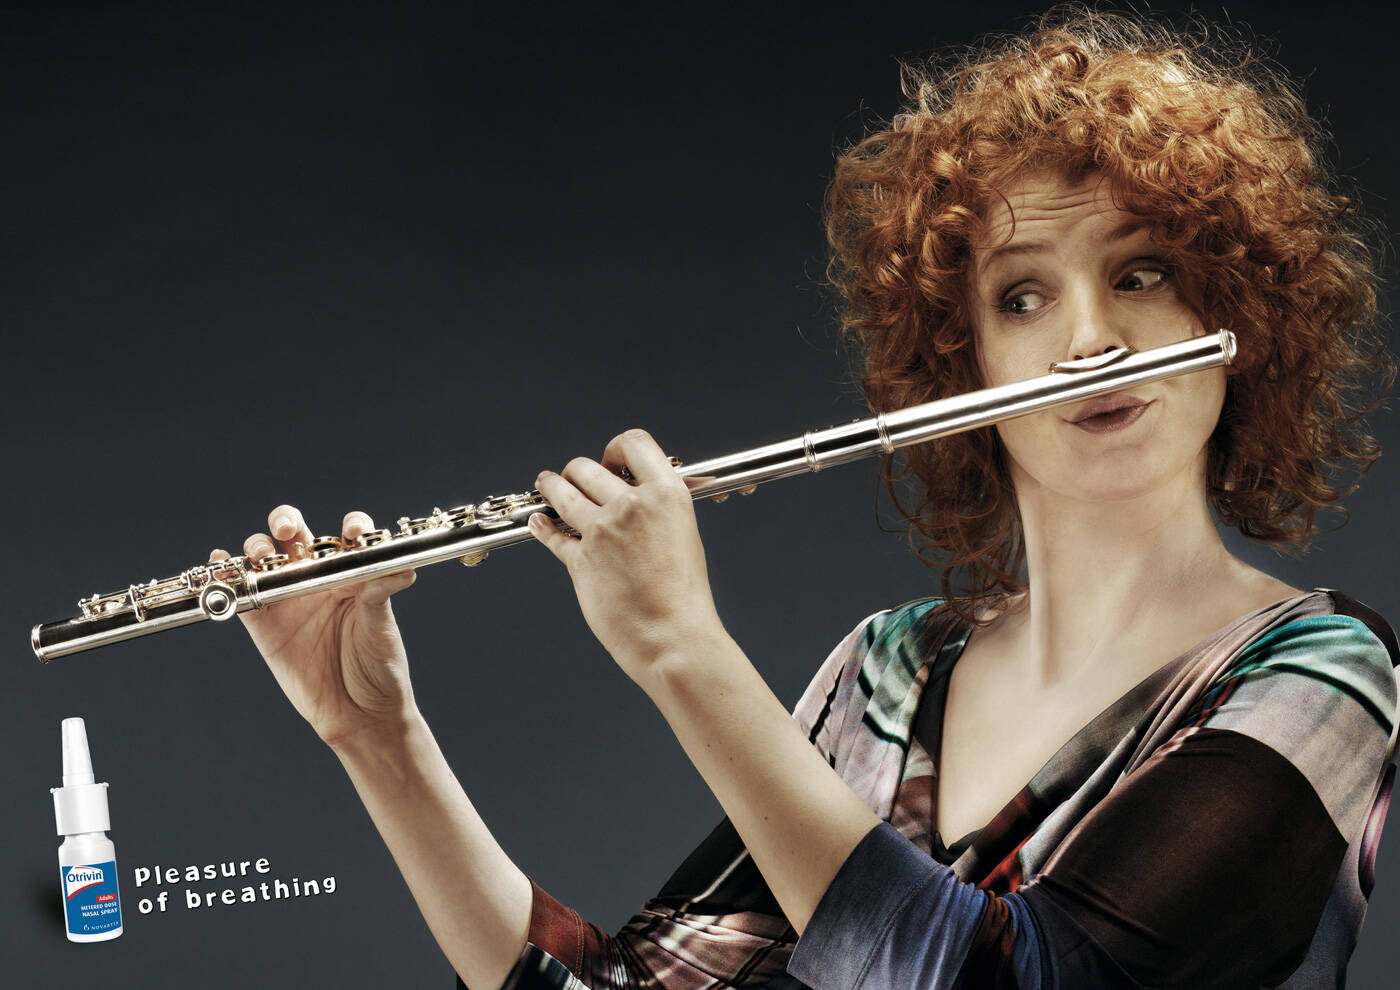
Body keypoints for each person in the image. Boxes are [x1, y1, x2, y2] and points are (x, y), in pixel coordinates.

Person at [214, 8, 1398, 988]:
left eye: (1139, 274)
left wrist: (680, 649)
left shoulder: (1321, 674)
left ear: (1232, 316)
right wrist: (378, 739)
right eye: (1021, 297)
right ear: (962, 362)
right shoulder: (888, 669)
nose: (1087, 339)